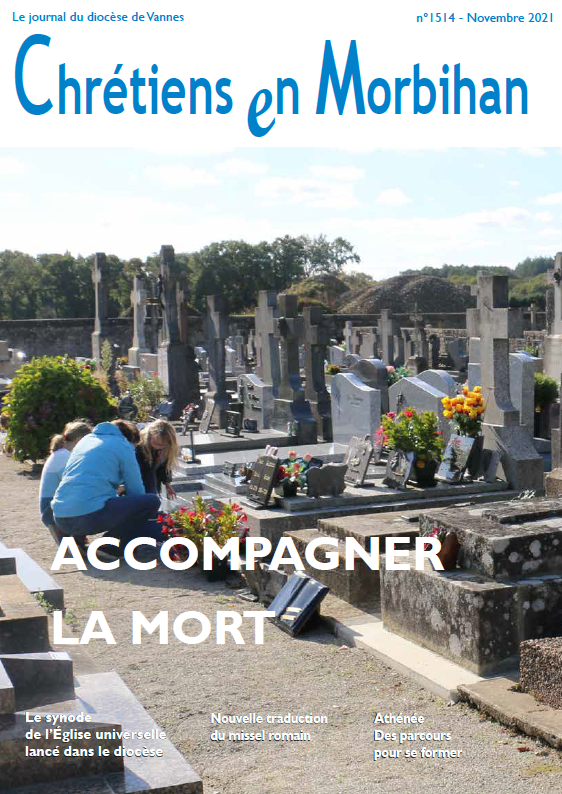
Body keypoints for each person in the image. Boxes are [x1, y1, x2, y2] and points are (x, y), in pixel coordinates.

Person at [51, 419, 161, 557]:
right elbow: (136, 491)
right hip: (85, 519)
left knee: (87, 498)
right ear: (130, 440)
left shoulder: (86, 441)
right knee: (151, 501)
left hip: (60, 517)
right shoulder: (123, 445)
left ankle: (77, 541)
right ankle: (108, 546)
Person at [39, 420, 93, 544]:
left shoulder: (62, 454)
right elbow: (78, 484)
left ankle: (78, 538)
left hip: (51, 506)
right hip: (52, 509)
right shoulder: (66, 457)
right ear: (79, 440)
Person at [135, 419, 178, 500]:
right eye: (156, 443)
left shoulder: (166, 449)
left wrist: (167, 483)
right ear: (150, 435)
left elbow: (164, 466)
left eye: (162, 445)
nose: (158, 447)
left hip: (151, 480)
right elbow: (139, 471)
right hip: (137, 480)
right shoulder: (138, 446)